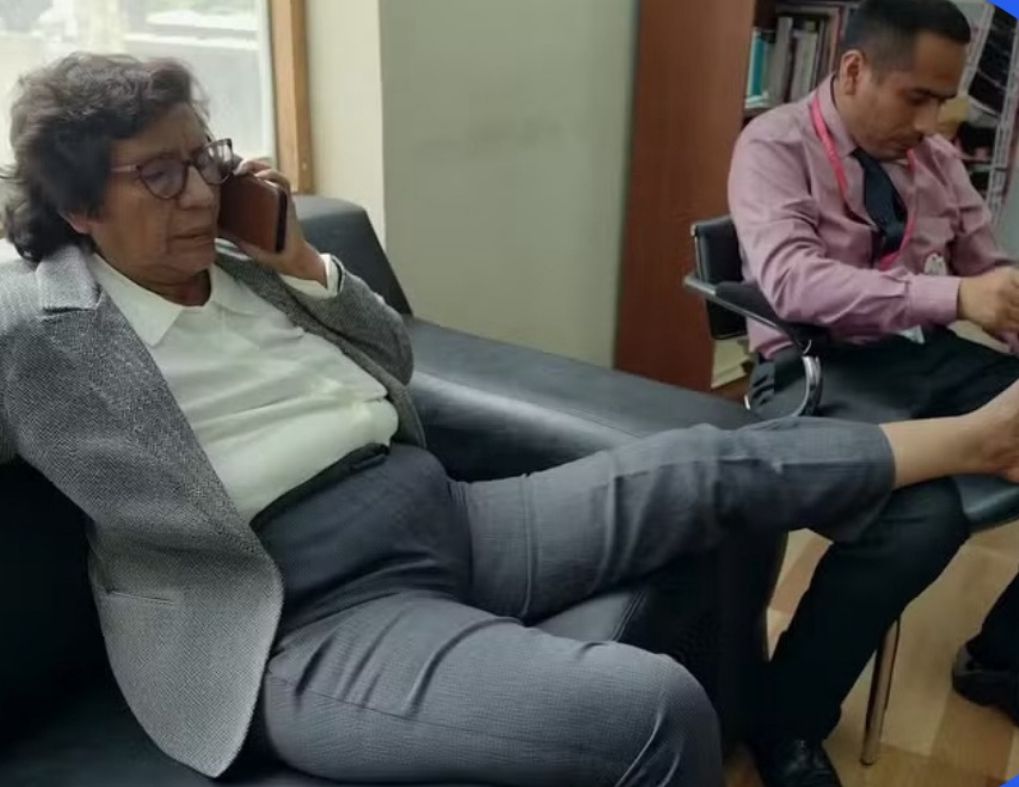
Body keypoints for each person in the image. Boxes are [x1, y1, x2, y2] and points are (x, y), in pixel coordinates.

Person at [5, 54, 1019, 787]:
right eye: (160, 173)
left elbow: (394, 354)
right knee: (650, 704)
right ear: (79, 206)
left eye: (207, 157)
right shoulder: (38, 330)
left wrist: (302, 263)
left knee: (712, 463)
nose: (200, 194)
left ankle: (978, 437)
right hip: (301, 616)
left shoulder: (244, 263)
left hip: (442, 515)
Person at [729, 0, 1019, 785]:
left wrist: (999, 305)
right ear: (853, 69)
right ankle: (784, 721)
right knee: (916, 521)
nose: (929, 124)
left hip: (912, 358)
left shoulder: (937, 160)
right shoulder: (773, 145)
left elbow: (988, 275)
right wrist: (954, 298)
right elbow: (792, 283)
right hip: (809, 371)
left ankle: (999, 657)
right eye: (915, 97)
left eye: (942, 101)